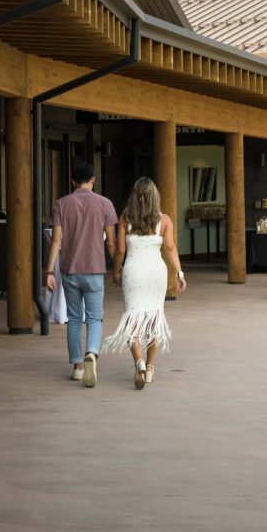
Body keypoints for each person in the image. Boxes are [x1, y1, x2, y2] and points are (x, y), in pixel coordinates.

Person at [102, 177, 186, 390]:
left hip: (134, 272)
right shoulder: (164, 220)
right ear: (154, 197)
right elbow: (170, 248)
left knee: (132, 319)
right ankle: (149, 369)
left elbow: (120, 250)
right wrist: (180, 273)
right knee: (154, 318)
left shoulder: (125, 218)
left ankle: (138, 362)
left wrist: (116, 272)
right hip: (156, 273)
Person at [45, 162, 118, 388]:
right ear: (93, 180)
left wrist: (49, 271)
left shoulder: (61, 204)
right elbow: (112, 243)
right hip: (95, 269)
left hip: (70, 270)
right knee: (95, 317)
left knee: (75, 319)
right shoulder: (105, 204)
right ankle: (92, 354)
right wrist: (118, 269)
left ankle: (77, 367)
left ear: (73, 181)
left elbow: (56, 241)